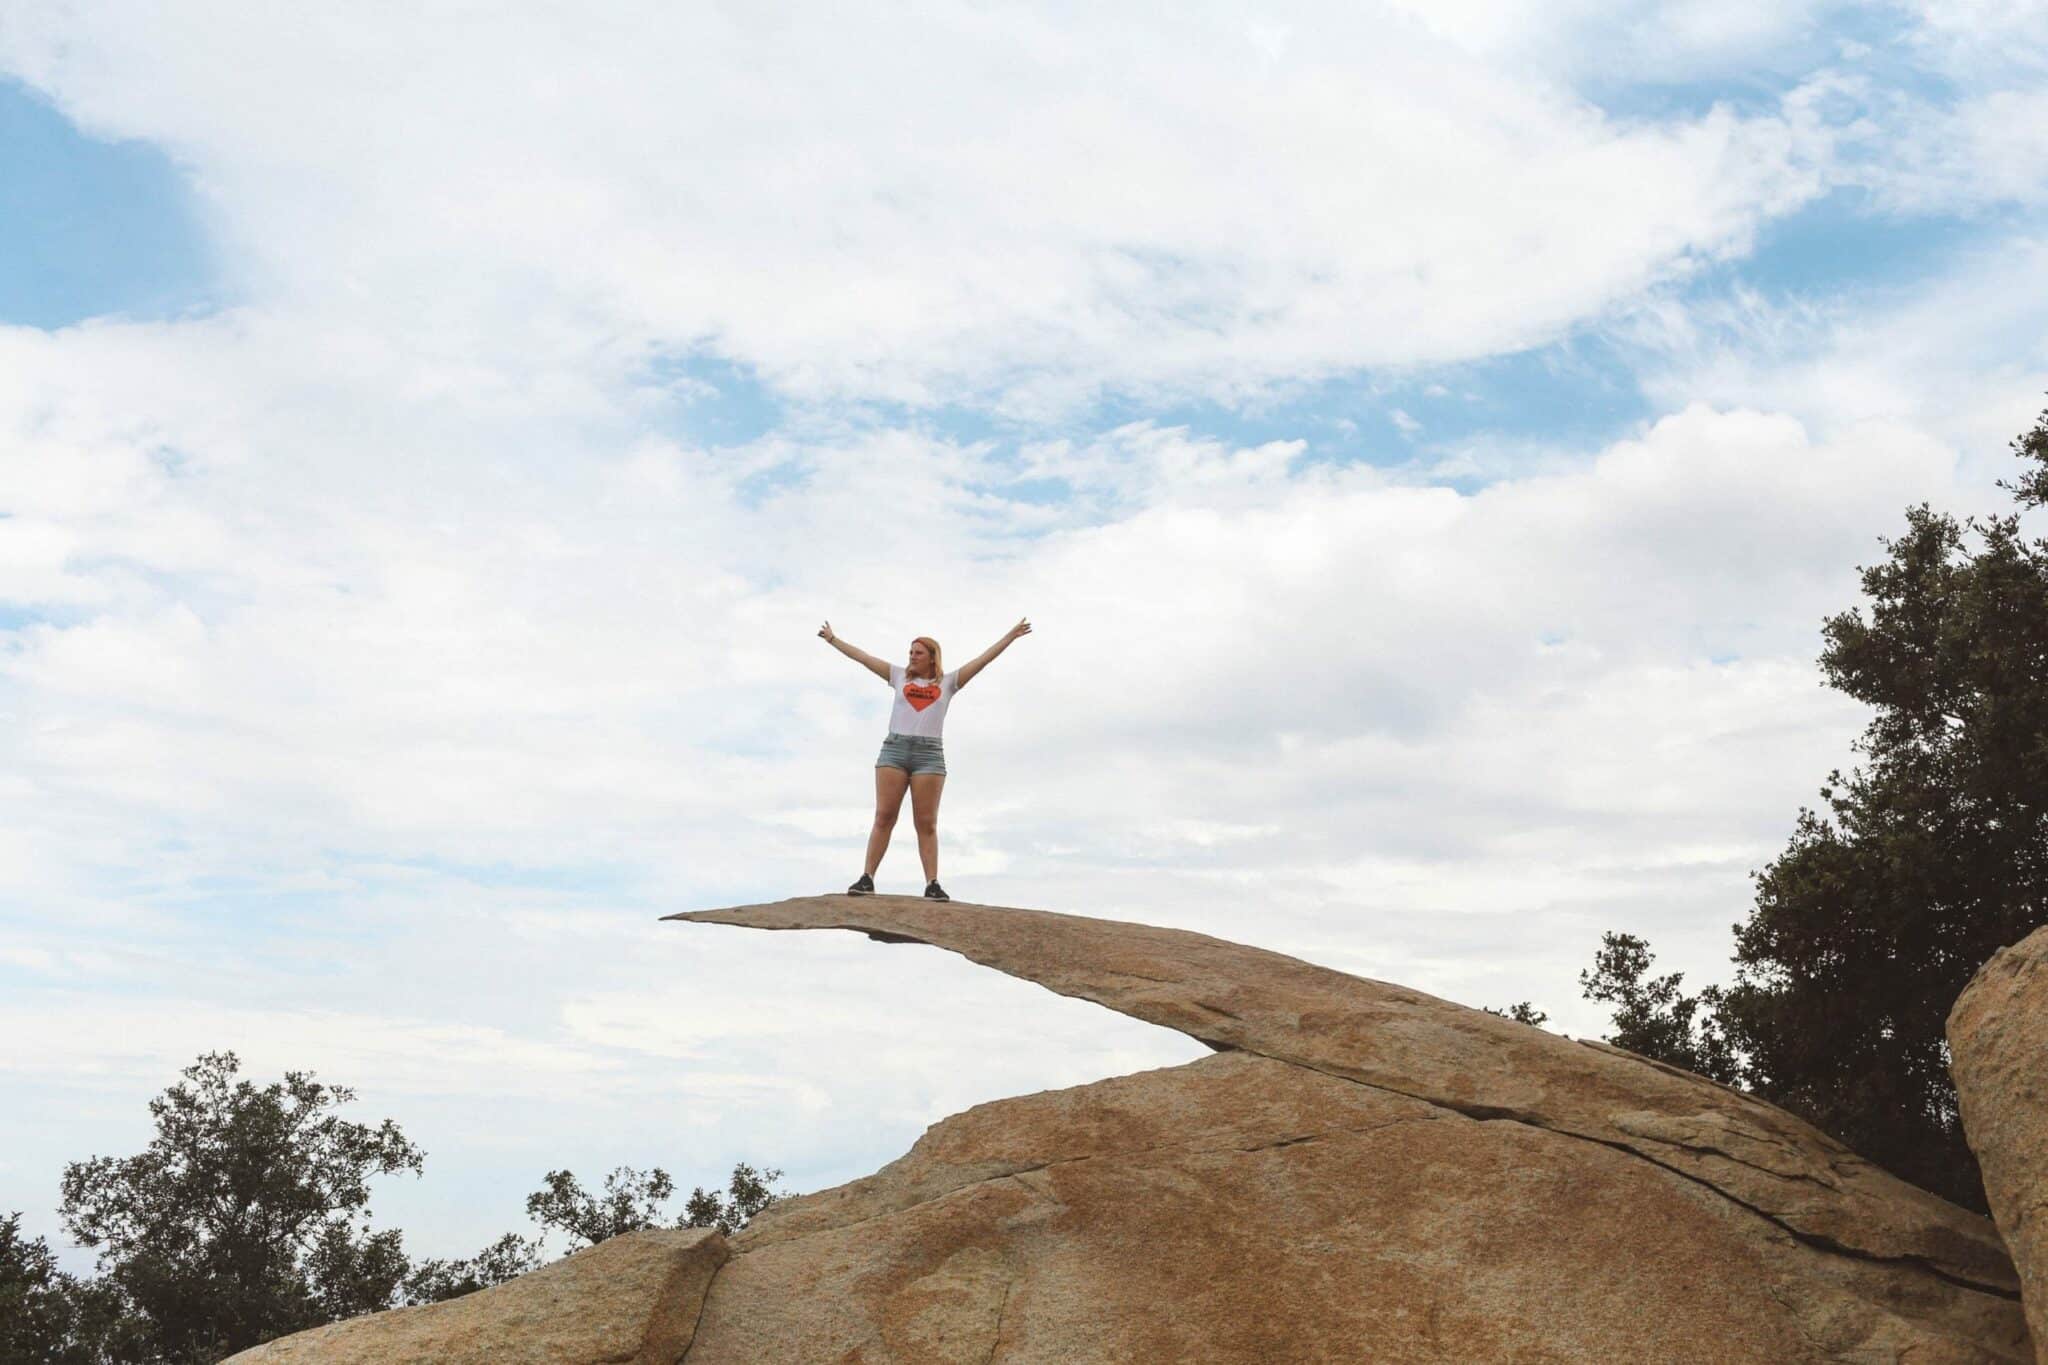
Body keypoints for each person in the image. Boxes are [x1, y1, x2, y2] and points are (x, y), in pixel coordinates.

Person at [817, 618, 1032, 900]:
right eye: (910, 652)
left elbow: (982, 661)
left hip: (929, 755)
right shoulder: (898, 677)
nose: (911, 656)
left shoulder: (948, 682)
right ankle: (867, 878)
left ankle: (932, 883)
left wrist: (1011, 636)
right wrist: (834, 640)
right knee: (884, 816)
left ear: (932, 658)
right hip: (894, 750)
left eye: (918, 652)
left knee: (926, 822)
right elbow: (865, 659)